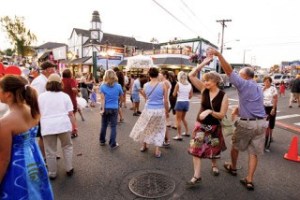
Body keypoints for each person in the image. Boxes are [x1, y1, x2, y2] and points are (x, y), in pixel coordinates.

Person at [209, 47, 267, 191]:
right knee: (253, 152)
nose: (238, 78)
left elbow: (229, 71)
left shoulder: (243, 84)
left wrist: (218, 54)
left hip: (247, 123)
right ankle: (249, 179)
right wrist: (240, 109)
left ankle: (233, 167)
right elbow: (254, 103)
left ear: (245, 77)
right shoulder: (259, 87)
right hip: (261, 123)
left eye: (240, 75)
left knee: (235, 145)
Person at [0, 75, 54, 199]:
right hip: (35, 158)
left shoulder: (5, 123)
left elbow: (3, 160)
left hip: (17, 168)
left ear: (8, 94)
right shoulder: (31, 109)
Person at [187, 62, 228, 186]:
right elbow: (191, 75)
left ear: (215, 81)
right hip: (200, 126)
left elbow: (221, 115)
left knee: (214, 149)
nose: (205, 83)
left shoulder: (223, 96)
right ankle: (197, 176)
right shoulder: (204, 90)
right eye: (204, 80)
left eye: (207, 80)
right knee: (195, 149)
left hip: (214, 127)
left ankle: (214, 165)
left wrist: (210, 111)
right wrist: (205, 62)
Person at [38, 73, 76, 180]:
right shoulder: (65, 96)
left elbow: (38, 112)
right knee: (67, 147)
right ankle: (69, 168)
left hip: (47, 126)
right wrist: (73, 127)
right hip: (63, 125)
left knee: (50, 151)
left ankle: (52, 173)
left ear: (48, 84)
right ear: (60, 84)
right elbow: (70, 114)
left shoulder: (41, 97)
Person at [130, 67, 169, 158]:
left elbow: (146, 97)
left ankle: (144, 146)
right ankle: (157, 151)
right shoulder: (163, 85)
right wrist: (167, 111)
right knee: (159, 129)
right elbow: (166, 101)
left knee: (145, 127)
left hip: (148, 109)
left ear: (149, 75)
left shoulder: (146, 85)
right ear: (158, 74)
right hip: (159, 110)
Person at [31, 61, 57, 159]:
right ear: (46, 70)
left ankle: (49, 154)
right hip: (42, 113)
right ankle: (43, 157)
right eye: (52, 69)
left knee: (48, 135)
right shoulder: (39, 81)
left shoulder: (45, 80)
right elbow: (36, 99)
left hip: (46, 113)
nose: (54, 70)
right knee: (43, 136)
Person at [99, 69, 124, 149]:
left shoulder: (102, 86)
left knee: (104, 125)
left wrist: (102, 109)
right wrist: (119, 103)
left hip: (106, 108)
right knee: (113, 126)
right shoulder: (118, 86)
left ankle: (102, 141)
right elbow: (121, 97)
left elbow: (102, 99)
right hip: (114, 108)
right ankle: (112, 143)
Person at [62, 68, 82, 138]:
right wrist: (78, 93)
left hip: (63, 101)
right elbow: (73, 89)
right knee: (72, 116)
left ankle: (66, 130)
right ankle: (74, 131)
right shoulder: (71, 80)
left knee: (65, 116)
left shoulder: (61, 81)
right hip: (71, 100)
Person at [173, 71, 193, 140]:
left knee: (178, 120)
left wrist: (179, 94)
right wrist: (186, 97)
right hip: (186, 102)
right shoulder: (189, 84)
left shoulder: (178, 84)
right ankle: (187, 132)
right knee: (183, 118)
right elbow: (191, 95)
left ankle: (179, 135)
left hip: (180, 102)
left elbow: (174, 94)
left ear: (179, 77)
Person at [262, 76, 278, 152]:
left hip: (271, 108)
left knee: (270, 125)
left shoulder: (273, 89)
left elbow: (275, 99)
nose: (266, 83)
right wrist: (263, 89)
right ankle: (265, 141)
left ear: (270, 82)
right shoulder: (262, 88)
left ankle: (268, 142)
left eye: (268, 81)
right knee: (265, 125)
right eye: (265, 81)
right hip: (263, 108)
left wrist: (273, 109)